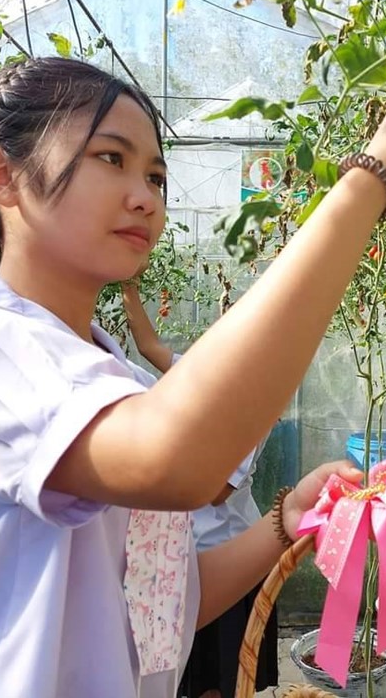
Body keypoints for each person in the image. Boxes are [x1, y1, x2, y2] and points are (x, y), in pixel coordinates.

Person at [0, 56, 386, 698]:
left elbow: (159, 611)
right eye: (111, 159)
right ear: (3, 176)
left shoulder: (107, 374)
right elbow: (174, 460)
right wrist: (369, 181)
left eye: (156, 175)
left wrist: (286, 520)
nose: (145, 196)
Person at [120, 276, 279, 697]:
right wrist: (130, 287)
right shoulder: (206, 381)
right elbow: (150, 346)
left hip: (231, 558)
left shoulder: (251, 409)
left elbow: (213, 490)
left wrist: (155, 453)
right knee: (195, 675)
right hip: (195, 555)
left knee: (223, 679)